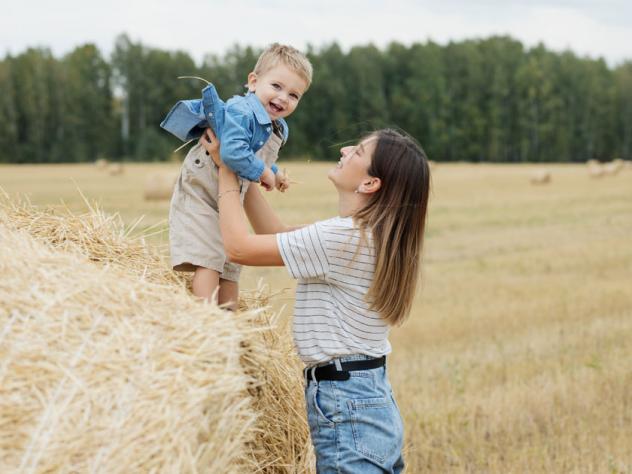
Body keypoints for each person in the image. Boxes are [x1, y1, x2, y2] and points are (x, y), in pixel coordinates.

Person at [200, 126, 431, 473]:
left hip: (348, 402)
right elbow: (275, 237)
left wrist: (226, 169)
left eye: (358, 152)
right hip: (367, 399)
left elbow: (238, 247)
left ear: (370, 184)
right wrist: (247, 172)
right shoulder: (363, 235)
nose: (345, 150)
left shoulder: (344, 238)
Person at [161, 43, 312, 308]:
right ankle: (205, 323)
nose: (283, 98)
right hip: (201, 189)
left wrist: (274, 174)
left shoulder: (277, 128)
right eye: (276, 86)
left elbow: (257, 158)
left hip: (228, 195)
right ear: (253, 82)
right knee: (209, 259)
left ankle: (230, 325)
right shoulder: (242, 112)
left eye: (294, 95)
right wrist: (263, 172)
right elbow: (232, 153)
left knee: (231, 262)